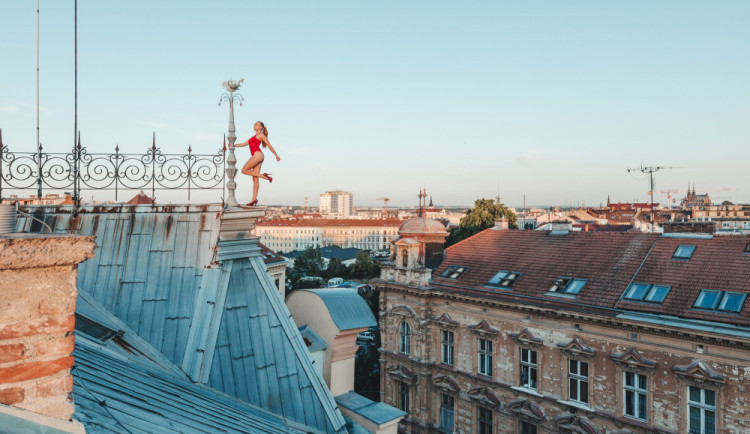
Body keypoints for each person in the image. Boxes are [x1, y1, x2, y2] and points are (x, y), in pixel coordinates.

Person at [234, 121, 280, 206]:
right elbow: (243, 144)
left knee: (244, 170)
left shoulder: (261, 135)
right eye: (255, 123)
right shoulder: (252, 137)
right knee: (255, 179)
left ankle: (265, 177)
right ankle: (254, 199)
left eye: (257, 124)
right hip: (258, 156)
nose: (255, 125)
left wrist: (276, 155)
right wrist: (233, 145)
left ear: (261, 127)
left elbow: (269, 145)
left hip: (257, 155)